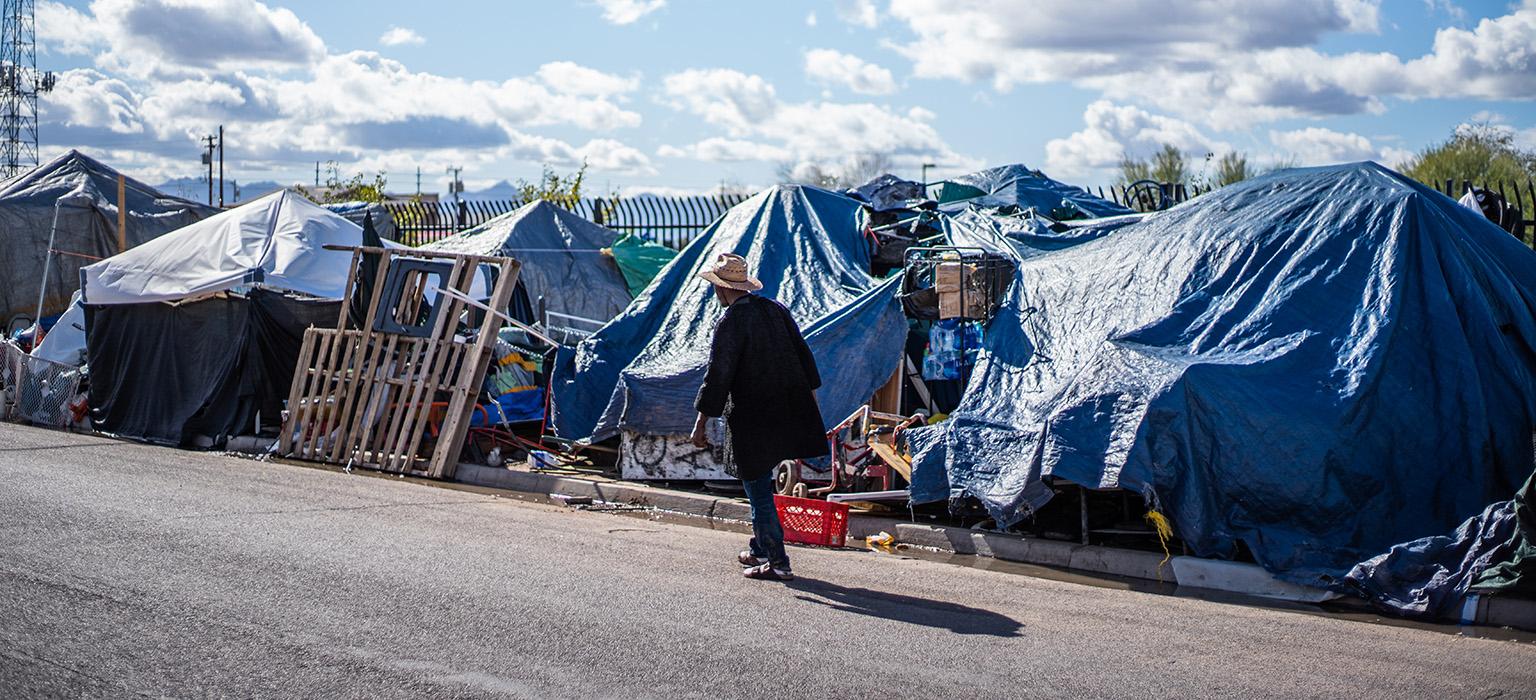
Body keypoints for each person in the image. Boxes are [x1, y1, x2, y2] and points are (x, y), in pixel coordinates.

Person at [690, 253, 829, 581]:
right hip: (787, 412)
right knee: (761, 483)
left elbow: (718, 375)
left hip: (753, 417)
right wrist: (811, 407)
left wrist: (700, 422)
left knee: (757, 489)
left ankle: (778, 561)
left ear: (722, 290)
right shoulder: (775, 310)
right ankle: (759, 547)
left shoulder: (730, 321)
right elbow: (805, 359)